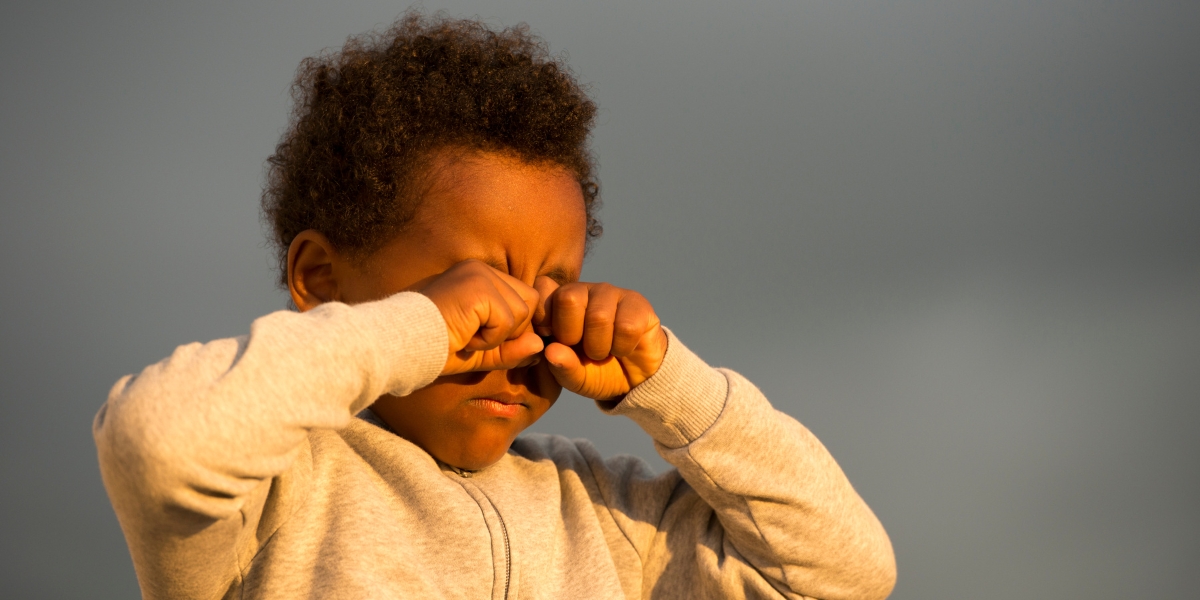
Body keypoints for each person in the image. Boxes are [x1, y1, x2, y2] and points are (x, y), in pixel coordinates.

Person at [94, 13, 896, 600]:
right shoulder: (271, 494)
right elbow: (153, 441)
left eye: (555, 288)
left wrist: (668, 383)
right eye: (472, 286)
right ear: (322, 280)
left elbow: (846, 573)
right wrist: (420, 331)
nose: (520, 332)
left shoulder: (610, 512)